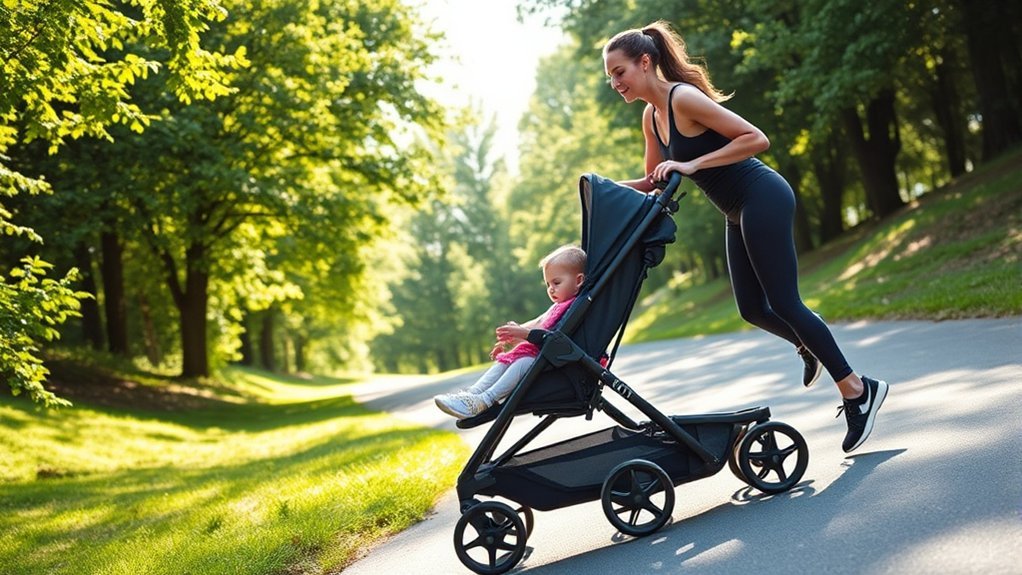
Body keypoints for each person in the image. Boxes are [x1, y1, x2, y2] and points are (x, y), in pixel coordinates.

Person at [602, 20, 887, 453]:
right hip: (735, 210)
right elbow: (653, 181)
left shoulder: (684, 99)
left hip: (762, 195)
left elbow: (756, 138)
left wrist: (694, 166)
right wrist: (603, 187)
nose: (614, 82)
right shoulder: (652, 117)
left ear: (645, 63)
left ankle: (857, 390)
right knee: (752, 308)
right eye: (610, 76)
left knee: (786, 302)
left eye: (619, 72)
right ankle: (807, 345)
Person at [434, 245, 587, 419]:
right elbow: (537, 323)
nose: (551, 289)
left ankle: (485, 400)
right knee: (505, 361)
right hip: (545, 359)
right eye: (548, 284)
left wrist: (524, 333)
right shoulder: (557, 307)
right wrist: (514, 334)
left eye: (556, 282)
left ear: (578, 280)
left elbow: (555, 336)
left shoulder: (576, 308)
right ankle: (471, 395)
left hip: (561, 367)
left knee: (523, 362)